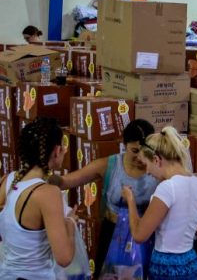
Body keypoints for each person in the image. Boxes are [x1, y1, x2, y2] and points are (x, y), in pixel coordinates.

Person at [49, 119, 158, 273]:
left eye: (145, 152)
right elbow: (67, 181)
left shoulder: (157, 168)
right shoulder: (110, 165)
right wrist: (44, 174)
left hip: (145, 237)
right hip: (112, 235)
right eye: (134, 151)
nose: (140, 157)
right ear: (124, 144)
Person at [123, 127, 197, 280]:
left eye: (147, 165)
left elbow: (139, 235)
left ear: (156, 160)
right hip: (192, 262)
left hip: (166, 266)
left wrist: (130, 200)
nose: (148, 172)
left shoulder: (167, 188)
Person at [0, 117, 75, 279]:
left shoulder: (8, 180)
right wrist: (70, 223)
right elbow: (64, 258)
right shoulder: (48, 194)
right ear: (56, 151)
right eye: (64, 146)